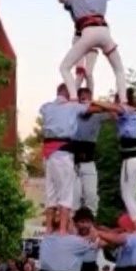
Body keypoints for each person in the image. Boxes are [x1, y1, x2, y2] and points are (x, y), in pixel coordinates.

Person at [59, 0, 126, 103]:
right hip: (102, 32)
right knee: (118, 69)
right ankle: (123, 100)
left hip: (86, 34)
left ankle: (74, 99)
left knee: (71, 69)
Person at [39, 84, 92, 233]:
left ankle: (49, 229)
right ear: (70, 94)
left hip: (48, 154)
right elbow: (90, 108)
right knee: (66, 192)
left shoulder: (47, 107)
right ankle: (62, 230)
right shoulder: (72, 106)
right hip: (63, 152)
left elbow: (44, 110)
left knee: (51, 192)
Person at [95, 89, 136, 231]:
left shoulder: (128, 109)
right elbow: (113, 114)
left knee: (127, 196)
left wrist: (93, 101)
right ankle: (132, 226)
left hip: (131, 159)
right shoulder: (130, 113)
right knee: (131, 196)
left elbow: (113, 108)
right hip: (135, 158)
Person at [72, 88, 110, 215]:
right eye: (82, 99)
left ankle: (91, 222)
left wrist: (98, 103)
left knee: (91, 195)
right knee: (74, 198)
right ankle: (72, 225)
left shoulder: (97, 116)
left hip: (89, 161)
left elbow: (115, 113)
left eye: (88, 99)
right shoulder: (73, 113)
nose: (85, 102)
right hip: (73, 163)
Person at [72, 207, 100, 271]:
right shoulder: (72, 238)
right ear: (76, 223)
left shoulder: (96, 238)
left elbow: (110, 242)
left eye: (88, 222)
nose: (84, 225)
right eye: (82, 222)